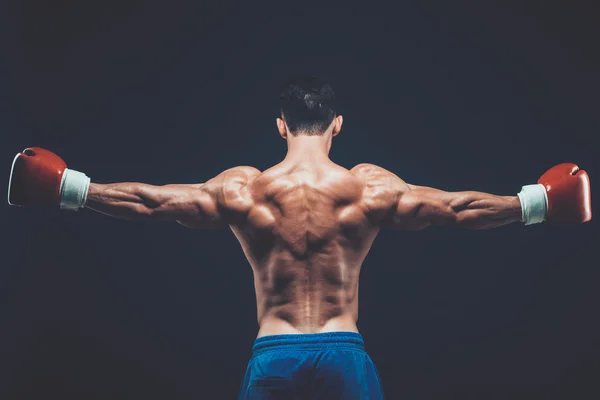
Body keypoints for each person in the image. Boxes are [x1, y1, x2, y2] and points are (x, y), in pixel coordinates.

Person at [7, 76, 592, 399]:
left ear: (280, 125)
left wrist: (68, 188)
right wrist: (535, 202)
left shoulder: (245, 190)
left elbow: (152, 202)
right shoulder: (367, 188)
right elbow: (458, 210)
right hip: (344, 354)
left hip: (274, 360)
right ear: (338, 125)